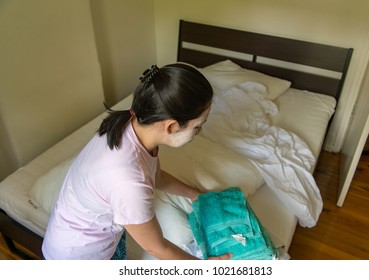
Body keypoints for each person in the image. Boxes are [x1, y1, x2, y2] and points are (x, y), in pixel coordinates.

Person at [42, 63, 232, 260]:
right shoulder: (128, 180)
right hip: (78, 257)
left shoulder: (133, 123)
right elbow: (157, 248)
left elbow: (155, 175)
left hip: (87, 235)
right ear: (171, 126)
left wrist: (194, 194)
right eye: (198, 127)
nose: (198, 133)